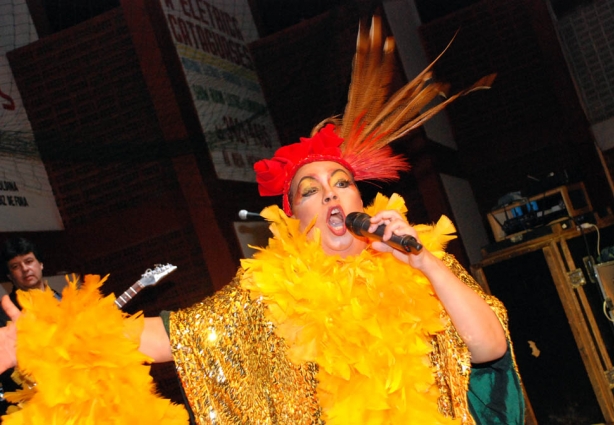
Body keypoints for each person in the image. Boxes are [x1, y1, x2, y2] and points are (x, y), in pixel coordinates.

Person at [0, 15, 524, 424]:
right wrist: (50, 331)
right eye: (311, 191)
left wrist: (428, 265)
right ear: (295, 218)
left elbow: (491, 348)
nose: (332, 195)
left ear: (362, 200)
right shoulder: (266, 296)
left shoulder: (420, 262)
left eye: (342, 184)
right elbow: (168, 339)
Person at [0, 237, 60, 417]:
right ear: (10, 276)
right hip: (31, 407)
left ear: (40, 264)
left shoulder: (66, 301)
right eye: (16, 266)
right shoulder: (3, 315)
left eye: (29, 261)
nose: (25, 269)